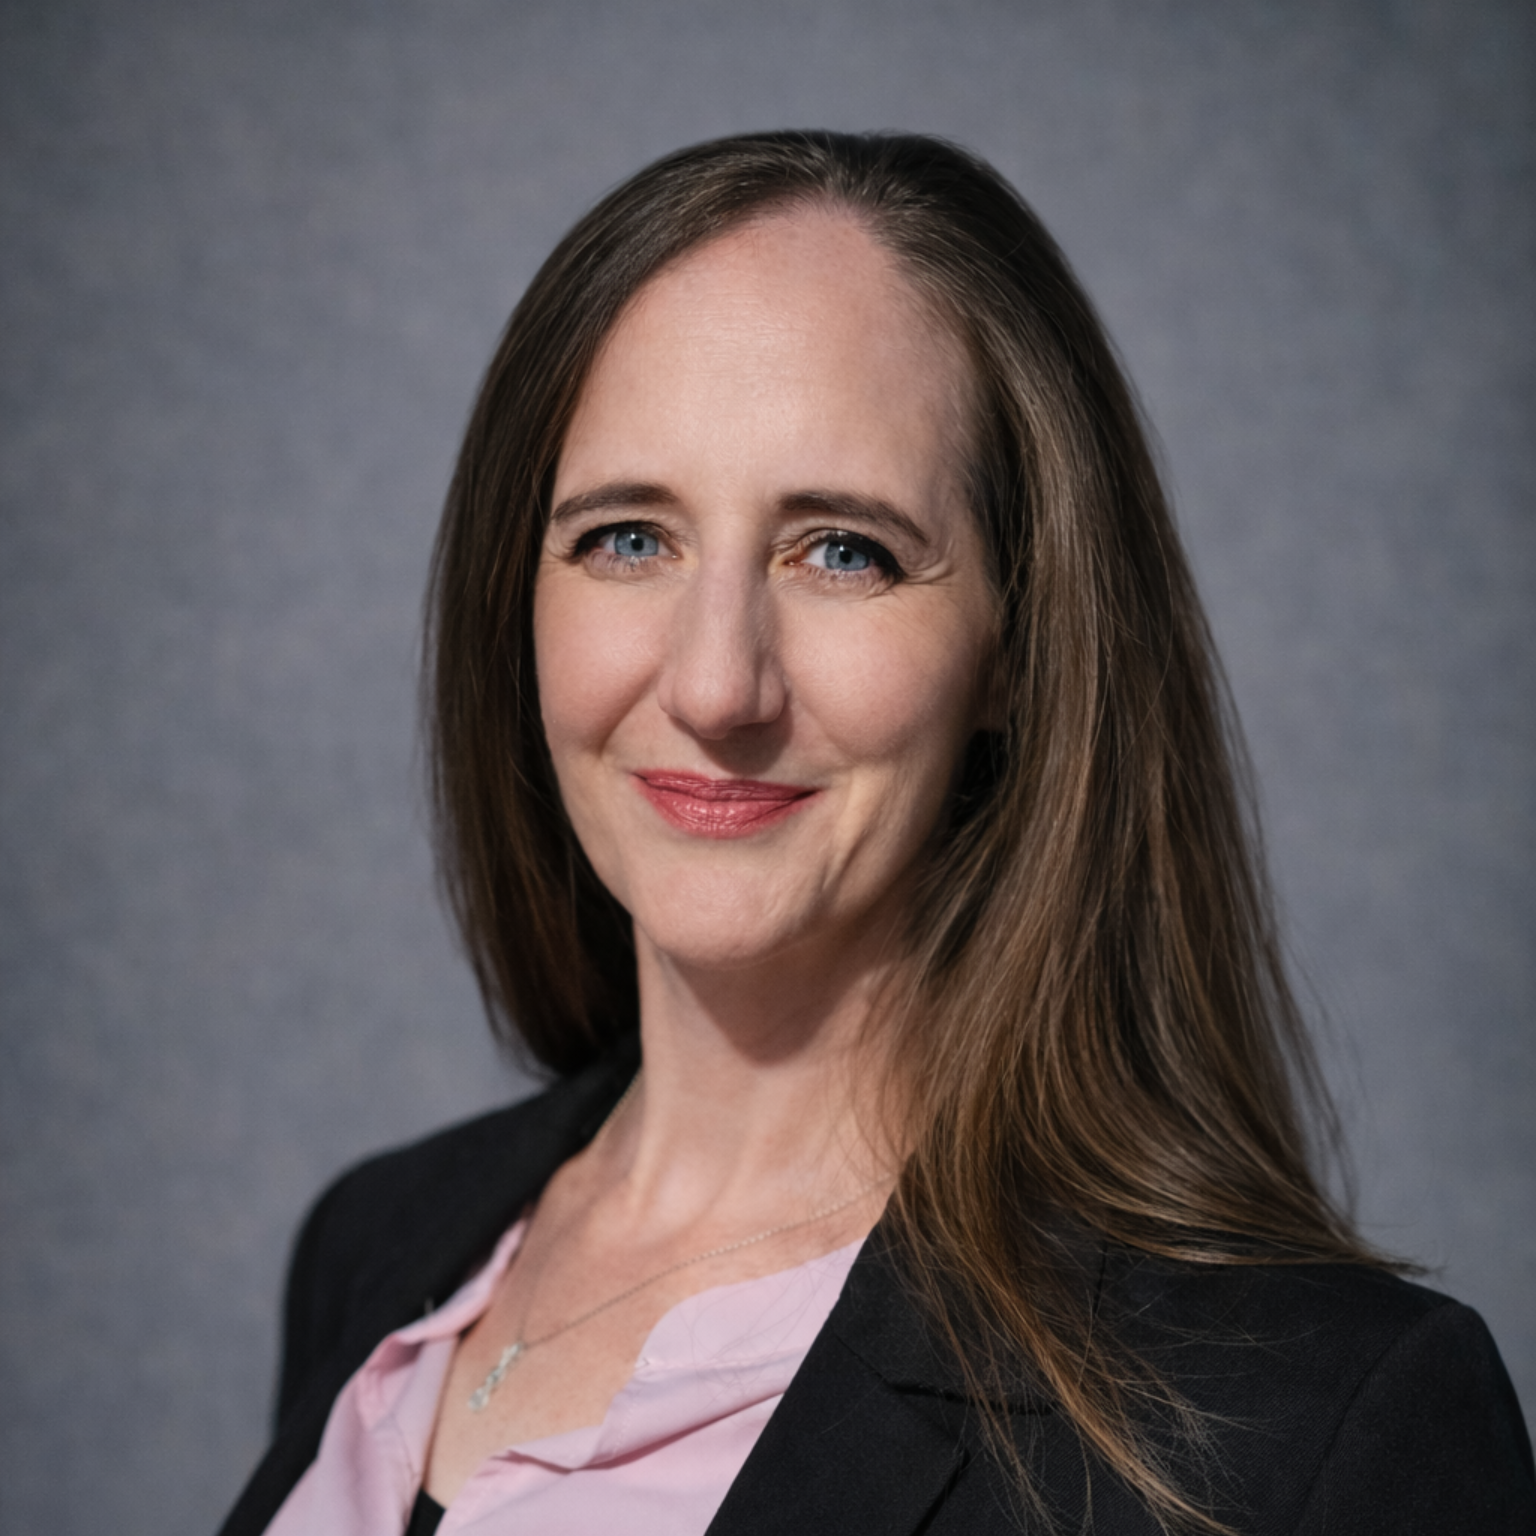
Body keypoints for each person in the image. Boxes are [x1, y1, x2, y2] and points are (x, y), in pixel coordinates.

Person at [218, 131, 1534, 1536]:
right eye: (629, 538)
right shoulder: (376, 1249)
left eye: (843, 550)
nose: (716, 685)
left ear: (1019, 649)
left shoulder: (1315, 1431)